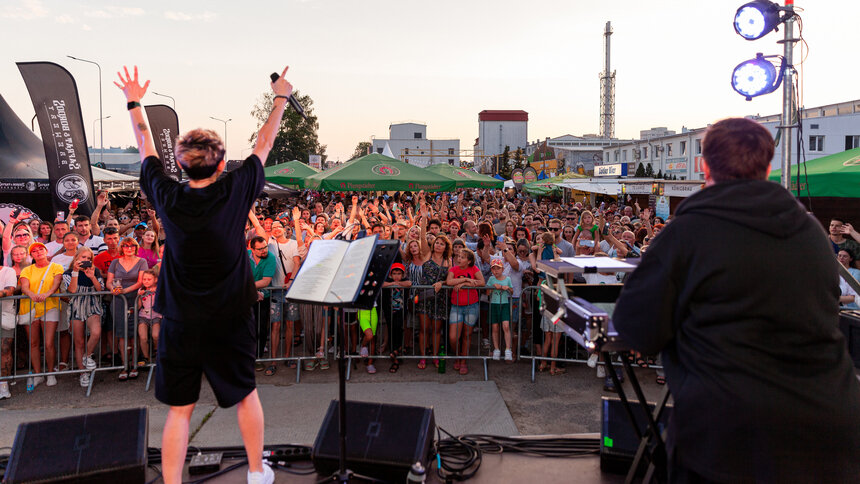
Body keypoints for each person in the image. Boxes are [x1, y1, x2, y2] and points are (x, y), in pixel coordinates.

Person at [612, 117, 860, 482]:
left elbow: (636, 329)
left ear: (703, 166)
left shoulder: (688, 231)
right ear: (769, 166)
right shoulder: (811, 233)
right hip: (829, 431)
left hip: (730, 438)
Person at [118, 65, 292, 484]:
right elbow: (264, 142)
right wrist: (281, 97)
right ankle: (256, 473)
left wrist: (134, 100)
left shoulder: (168, 194)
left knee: (180, 409)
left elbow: (145, 146)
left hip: (179, 317)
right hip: (231, 314)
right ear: (220, 164)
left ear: (180, 163)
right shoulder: (235, 190)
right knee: (246, 394)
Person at [19, 242, 64, 391]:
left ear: (46, 251)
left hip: (50, 305)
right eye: (34, 251)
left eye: (41, 249)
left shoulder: (56, 267)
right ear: (31, 255)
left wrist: (46, 294)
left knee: (49, 342)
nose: (38, 252)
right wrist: (33, 295)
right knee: (33, 343)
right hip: (30, 307)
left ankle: (50, 372)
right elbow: (25, 287)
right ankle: (38, 373)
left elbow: (56, 284)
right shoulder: (27, 270)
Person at [106, 237, 148, 380]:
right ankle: (125, 366)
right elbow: (108, 282)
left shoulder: (142, 262)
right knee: (121, 334)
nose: (129, 248)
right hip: (118, 301)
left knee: (133, 333)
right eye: (125, 245)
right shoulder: (115, 262)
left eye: (132, 246)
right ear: (121, 247)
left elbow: (140, 282)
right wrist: (114, 289)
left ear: (136, 247)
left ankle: (135, 364)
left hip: (135, 300)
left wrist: (125, 291)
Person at [63, 247, 103, 388]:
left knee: (96, 332)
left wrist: (92, 276)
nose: (86, 261)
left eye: (88, 258)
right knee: (78, 341)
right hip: (76, 306)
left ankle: (87, 355)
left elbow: (101, 289)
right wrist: (75, 271)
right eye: (83, 257)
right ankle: (82, 373)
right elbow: (72, 290)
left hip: (93, 304)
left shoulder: (95, 271)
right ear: (76, 258)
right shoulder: (68, 273)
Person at [446, 248, 484, 375]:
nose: (458, 259)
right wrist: (466, 280)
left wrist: (463, 284)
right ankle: (457, 355)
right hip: (456, 306)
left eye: (462, 257)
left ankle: (463, 361)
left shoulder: (474, 269)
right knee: (453, 337)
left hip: (471, 306)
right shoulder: (453, 269)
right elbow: (449, 281)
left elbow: (482, 282)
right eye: (458, 257)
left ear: (468, 261)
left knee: (467, 335)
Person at [485, 258, 513, 362]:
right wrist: (492, 287)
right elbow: (487, 293)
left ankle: (507, 349)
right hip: (494, 304)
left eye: (498, 268)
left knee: (506, 326)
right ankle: (496, 349)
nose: (496, 271)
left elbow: (512, 291)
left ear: (502, 269)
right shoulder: (491, 279)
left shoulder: (507, 279)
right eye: (493, 269)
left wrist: (507, 288)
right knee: (495, 327)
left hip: (504, 304)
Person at [137, 269, 162, 367]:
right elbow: (139, 306)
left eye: (149, 279)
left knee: (156, 335)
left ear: (155, 279)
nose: (146, 281)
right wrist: (139, 297)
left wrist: (157, 292)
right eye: (144, 279)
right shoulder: (141, 290)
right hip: (143, 316)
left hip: (156, 316)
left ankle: (156, 350)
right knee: (143, 337)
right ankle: (146, 357)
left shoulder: (159, 289)